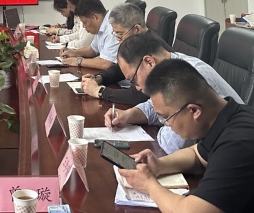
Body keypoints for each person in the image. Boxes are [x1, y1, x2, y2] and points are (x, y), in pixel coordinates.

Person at [118, 59, 254, 213]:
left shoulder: (240, 144)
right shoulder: (229, 115)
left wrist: (149, 185)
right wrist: (160, 165)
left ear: (194, 111)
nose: (166, 124)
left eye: (167, 117)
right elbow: (197, 154)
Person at [104, 32, 242, 154]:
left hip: (234, 151)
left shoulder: (186, 76)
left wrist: (162, 126)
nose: (137, 88)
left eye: (134, 80)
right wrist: (127, 115)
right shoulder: (172, 68)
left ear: (149, 62)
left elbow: (174, 145)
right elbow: (154, 106)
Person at [80, 1, 149, 104]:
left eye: (120, 34)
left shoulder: (152, 51)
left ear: (137, 29)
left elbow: (140, 95)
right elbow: (120, 69)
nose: (118, 39)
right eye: (116, 34)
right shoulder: (136, 43)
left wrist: (98, 91)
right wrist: (99, 78)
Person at [59, 0, 117, 70]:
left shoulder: (112, 27)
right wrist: (73, 53)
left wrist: (78, 61)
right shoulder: (102, 24)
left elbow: (107, 63)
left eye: (84, 22)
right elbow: (93, 50)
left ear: (96, 17)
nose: (83, 26)